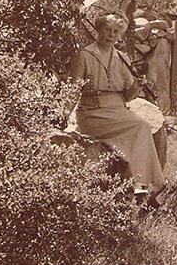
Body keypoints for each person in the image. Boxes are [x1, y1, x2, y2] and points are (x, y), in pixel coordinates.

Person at [68, 11, 165, 194]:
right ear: (98, 30)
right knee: (139, 127)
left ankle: (142, 186)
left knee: (141, 127)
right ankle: (138, 185)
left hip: (118, 112)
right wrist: (62, 115)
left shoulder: (121, 58)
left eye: (116, 32)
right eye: (108, 30)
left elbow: (128, 97)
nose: (111, 35)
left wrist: (136, 85)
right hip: (92, 113)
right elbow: (72, 90)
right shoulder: (84, 56)